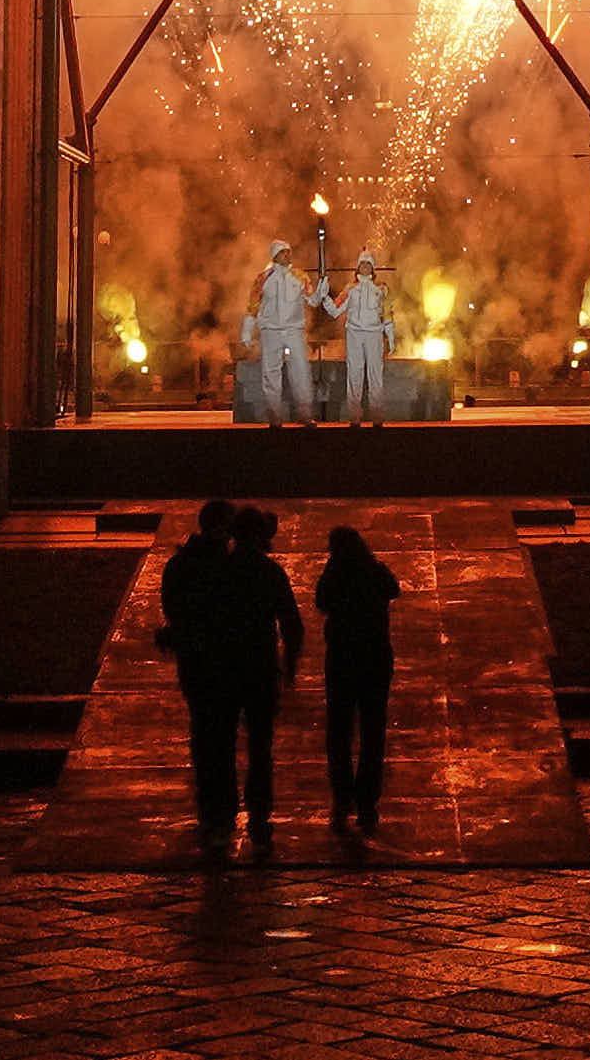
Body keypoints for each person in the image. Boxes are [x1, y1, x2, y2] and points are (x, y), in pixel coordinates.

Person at [158, 497, 303, 859]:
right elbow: (291, 621)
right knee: (259, 747)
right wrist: (290, 664)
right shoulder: (268, 572)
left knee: (216, 744)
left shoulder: (212, 571)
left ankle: (219, 818)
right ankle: (258, 815)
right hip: (258, 670)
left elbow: (194, 616)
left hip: (220, 670)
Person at [314, 526, 402, 835]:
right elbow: (394, 589)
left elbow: (320, 601)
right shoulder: (374, 572)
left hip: (341, 658)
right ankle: (367, 801)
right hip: (375, 657)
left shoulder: (334, 576)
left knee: (339, 730)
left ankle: (342, 797)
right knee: (372, 730)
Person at [250, 242, 310, 428]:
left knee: (300, 371)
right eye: (282, 253)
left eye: (288, 252)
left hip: (294, 330)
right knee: (271, 373)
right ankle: (275, 416)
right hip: (271, 331)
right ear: (274, 256)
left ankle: (305, 414)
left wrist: (322, 291)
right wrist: (247, 332)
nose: (287, 255)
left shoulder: (300, 276)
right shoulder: (263, 278)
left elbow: (312, 299)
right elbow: (252, 305)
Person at [339, 256, 395, 426]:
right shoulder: (350, 289)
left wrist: (391, 338)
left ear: (373, 268)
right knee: (354, 375)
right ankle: (354, 416)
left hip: (374, 334)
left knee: (375, 375)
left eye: (368, 264)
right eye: (362, 264)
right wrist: (323, 296)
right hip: (354, 333)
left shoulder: (381, 289)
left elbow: (387, 314)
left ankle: (377, 415)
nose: (365, 267)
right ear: (357, 268)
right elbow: (336, 309)